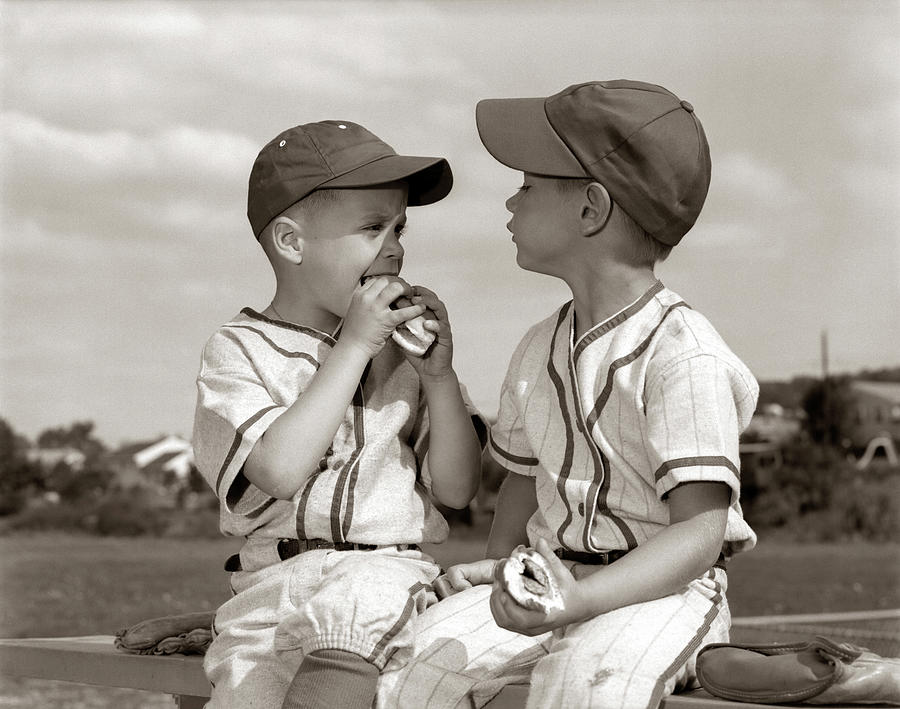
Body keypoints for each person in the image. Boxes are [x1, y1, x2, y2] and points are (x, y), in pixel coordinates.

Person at [377, 80, 759, 709]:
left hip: (660, 593)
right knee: (417, 664)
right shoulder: (537, 347)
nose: (509, 201)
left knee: (584, 682)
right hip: (552, 575)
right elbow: (522, 487)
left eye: (527, 186)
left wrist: (579, 601)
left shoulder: (683, 353)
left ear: (591, 209)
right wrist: (504, 571)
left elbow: (700, 532)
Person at [192, 120, 485, 709]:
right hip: (271, 593)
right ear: (292, 243)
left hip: (385, 581)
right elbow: (276, 472)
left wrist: (439, 378)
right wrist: (353, 348)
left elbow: (456, 489)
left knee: (365, 607)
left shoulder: (407, 357)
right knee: (247, 693)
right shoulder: (238, 350)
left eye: (400, 227)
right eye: (373, 227)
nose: (396, 247)